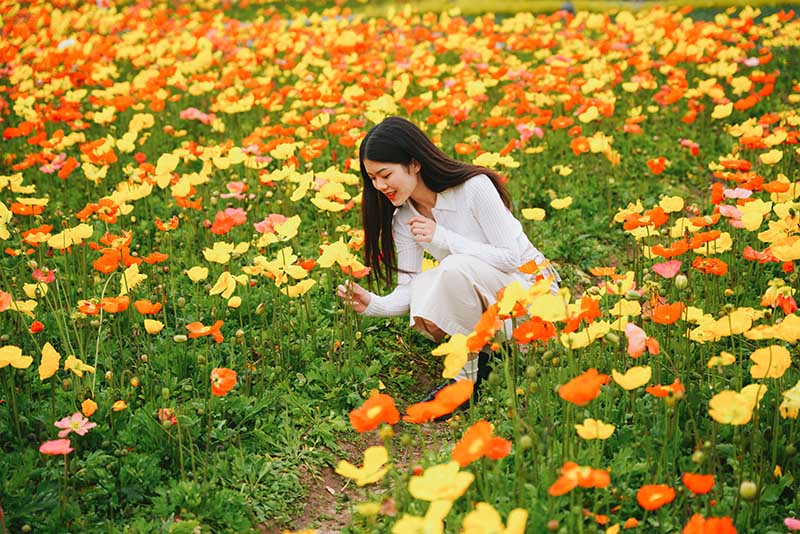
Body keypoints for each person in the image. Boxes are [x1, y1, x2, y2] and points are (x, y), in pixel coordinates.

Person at [336, 116, 559, 418]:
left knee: (452, 267)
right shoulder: (404, 218)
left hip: (536, 299)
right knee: (431, 280)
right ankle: (470, 375)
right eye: (372, 178)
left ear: (414, 163)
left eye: (385, 174)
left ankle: (467, 378)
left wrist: (442, 237)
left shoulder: (474, 188)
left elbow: (511, 258)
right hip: (492, 303)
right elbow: (410, 288)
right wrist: (374, 305)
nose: (379, 186)